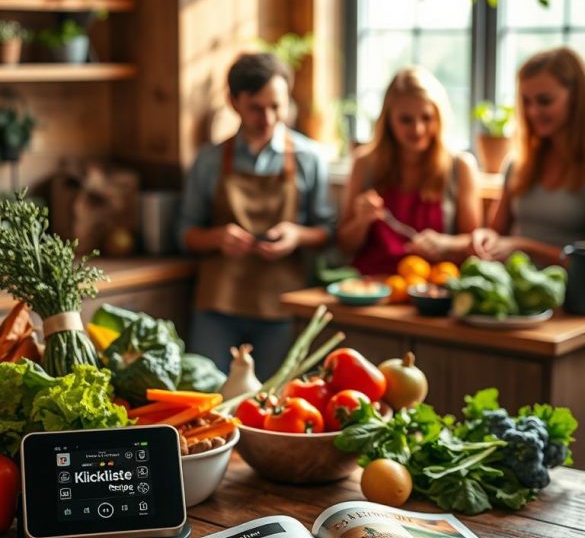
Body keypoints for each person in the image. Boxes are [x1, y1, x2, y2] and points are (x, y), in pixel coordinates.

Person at [177, 52, 335, 379]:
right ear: (234, 101)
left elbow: (327, 231)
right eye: (256, 108)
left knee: (275, 403)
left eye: (276, 106)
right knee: (206, 397)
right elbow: (184, 232)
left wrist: (296, 235)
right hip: (218, 304)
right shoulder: (209, 161)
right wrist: (217, 238)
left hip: (282, 305)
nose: (268, 118)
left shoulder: (310, 158)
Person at [337, 67, 480, 274]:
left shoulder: (461, 167)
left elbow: (475, 243)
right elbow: (344, 246)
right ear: (388, 121)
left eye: (426, 118)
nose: (417, 129)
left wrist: (446, 244)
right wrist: (361, 221)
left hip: (435, 288)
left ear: (439, 118)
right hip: (373, 287)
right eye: (405, 120)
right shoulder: (364, 163)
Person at [472, 47, 585, 265]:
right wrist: (485, 238)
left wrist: (522, 246)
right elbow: (496, 232)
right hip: (514, 289)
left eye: (544, 101)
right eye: (526, 101)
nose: (533, 111)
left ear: (576, 98)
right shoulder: (518, 164)